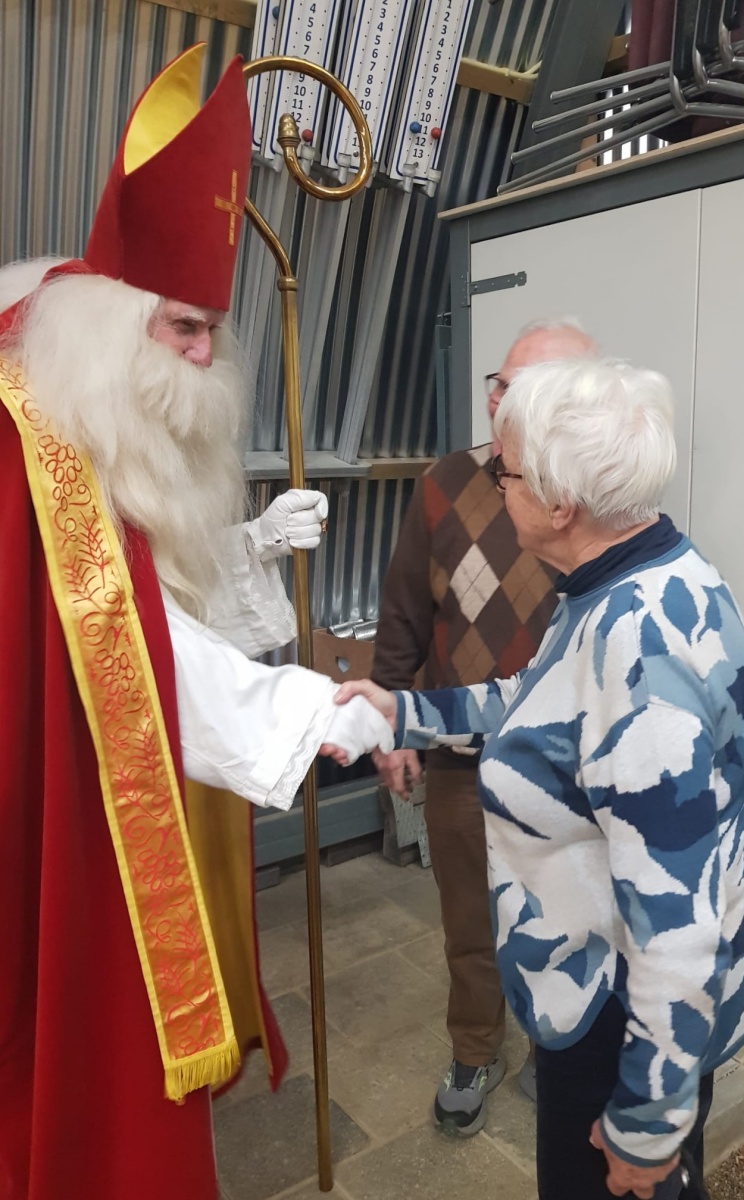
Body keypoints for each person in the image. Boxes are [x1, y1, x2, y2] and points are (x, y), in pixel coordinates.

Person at [0, 45, 391, 1200]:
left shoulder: (86, 411)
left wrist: (249, 545)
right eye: (181, 326)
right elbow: (114, 648)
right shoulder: (38, 449)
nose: (206, 357)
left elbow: (138, 589)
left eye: (213, 327)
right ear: (111, 324)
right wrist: (314, 711)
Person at [325, 355, 744, 1200]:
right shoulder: (634, 579)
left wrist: (646, 1126)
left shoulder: (639, 651)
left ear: (561, 505)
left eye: (507, 473)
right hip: (610, 998)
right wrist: (402, 712)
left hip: (616, 1018)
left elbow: (676, 924)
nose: (496, 488)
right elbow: (541, 698)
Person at [370, 319, 599, 1135]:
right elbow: (403, 611)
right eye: (497, 385)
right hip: (462, 759)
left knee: (565, 916)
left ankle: (552, 1049)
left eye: (521, 391)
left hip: (567, 767)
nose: (499, 402)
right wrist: (393, 720)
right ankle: (474, 1049)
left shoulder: (601, 492)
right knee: (469, 920)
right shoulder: (444, 484)